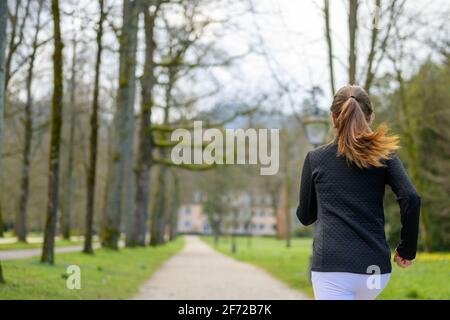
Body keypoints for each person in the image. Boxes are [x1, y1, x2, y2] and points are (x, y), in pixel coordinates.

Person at [296, 85, 421, 300]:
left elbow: (306, 217)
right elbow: (411, 197)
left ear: (333, 118)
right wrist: (407, 249)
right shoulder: (385, 155)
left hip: (332, 268)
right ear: (370, 117)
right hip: (374, 271)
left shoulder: (316, 159)